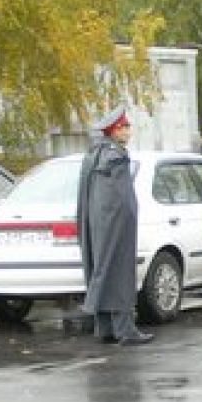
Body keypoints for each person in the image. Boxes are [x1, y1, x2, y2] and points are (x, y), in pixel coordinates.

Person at [76, 104, 153, 346]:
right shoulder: (116, 157)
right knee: (119, 272)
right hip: (116, 225)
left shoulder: (93, 155)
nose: (129, 131)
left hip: (97, 224)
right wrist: (131, 217)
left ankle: (105, 328)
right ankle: (125, 330)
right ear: (115, 130)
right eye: (126, 126)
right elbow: (123, 200)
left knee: (103, 268)